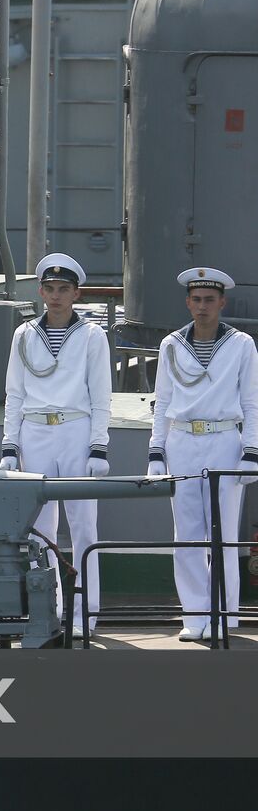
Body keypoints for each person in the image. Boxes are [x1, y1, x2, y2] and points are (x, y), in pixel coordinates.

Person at [0, 253, 112, 639]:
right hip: (35, 432)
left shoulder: (92, 336)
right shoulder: (24, 334)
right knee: (39, 531)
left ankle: (85, 613)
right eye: (50, 288)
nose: (56, 296)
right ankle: (47, 611)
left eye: (64, 289)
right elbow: (14, 394)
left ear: (76, 293)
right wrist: (9, 444)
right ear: (41, 291)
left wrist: (98, 445)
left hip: (75, 430)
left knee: (84, 527)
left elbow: (100, 395)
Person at [148, 267, 258, 641]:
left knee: (222, 533)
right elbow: (162, 401)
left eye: (209, 300)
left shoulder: (241, 344)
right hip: (182, 441)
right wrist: (156, 450)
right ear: (187, 302)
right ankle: (194, 615)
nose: (202, 306)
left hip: (224, 439)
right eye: (196, 299)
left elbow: (252, 402)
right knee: (187, 534)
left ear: (222, 302)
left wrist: (251, 451)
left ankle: (223, 614)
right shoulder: (171, 345)